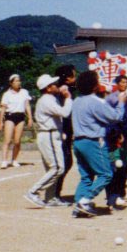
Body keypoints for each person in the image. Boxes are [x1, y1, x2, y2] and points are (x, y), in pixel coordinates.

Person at [71, 71, 127, 217]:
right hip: (93, 141)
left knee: (86, 176)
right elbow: (115, 117)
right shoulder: (95, 102)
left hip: (78, 141)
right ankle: (85, 201)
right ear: (94, 85)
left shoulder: (76, 101)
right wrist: (121, 102)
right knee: (106, 174)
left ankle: (79, 205)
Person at [23, 74, 72, 207]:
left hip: (51, 134)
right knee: (58, 168)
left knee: (53, 168)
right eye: (53, 84)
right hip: (49, 134)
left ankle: (50, 198)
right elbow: (65, 113)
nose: (56, 85)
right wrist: (68, 98)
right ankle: (33, 191)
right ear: (48, 88)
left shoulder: (49, 99)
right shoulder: (46, 100)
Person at [0, 74, 33, 169]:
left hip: (20, 117)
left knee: (17, 141)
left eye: (19, 80)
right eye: (16, 81)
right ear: (11, 83)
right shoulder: (6, 94)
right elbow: (3, 109)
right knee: (7, 140)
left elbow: (27, 105)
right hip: (10, 117)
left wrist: (30, 118)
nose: (18, 83)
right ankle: (4, 161)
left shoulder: (24, 92)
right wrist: (1, 122)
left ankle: (14, 160)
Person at [54, 65, 77, 202]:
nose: (75, 78)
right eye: (73, 75)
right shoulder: (63, 91)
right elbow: (63, 113)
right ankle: (54, 193)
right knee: (64, 162)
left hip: (67, 131)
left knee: (66, 162)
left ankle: (56, 192)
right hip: (62, 131)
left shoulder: (68, 90)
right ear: (67, 78)